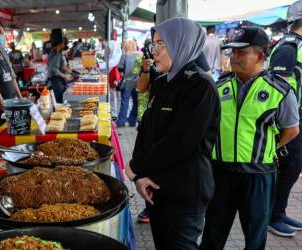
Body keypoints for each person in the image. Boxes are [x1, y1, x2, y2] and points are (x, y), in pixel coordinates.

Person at [200, 27, 300, 250]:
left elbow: (291, 130)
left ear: (261, 56)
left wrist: (268, 148)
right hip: (221, 173)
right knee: (213, 234)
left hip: (259, 175)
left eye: (241, 53)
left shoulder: (279, 90)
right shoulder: (220, 86)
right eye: (232, 52)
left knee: (255, 238)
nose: (233, 57)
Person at [126, 17, 220, 249]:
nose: (154, 51)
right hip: (156, 189)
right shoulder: (162, 82)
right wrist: (139, 176)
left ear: (181, 44)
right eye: (153, 44)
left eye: (161, 44)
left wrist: (136, 166)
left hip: (184, 192)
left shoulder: (200, 86)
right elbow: (146, 132)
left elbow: (179, 143)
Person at [267, 0, 302, 237]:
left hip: (296, 117)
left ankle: (278, 211)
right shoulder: (289, 46)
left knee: (293, 167)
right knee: (289, 167)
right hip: (288, 120)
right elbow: (280, 87)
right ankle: (271, 215)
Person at [116, 39, 140, 127]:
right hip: (137, 82)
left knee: (124, 102)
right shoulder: (140, 55)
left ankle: (121, 121)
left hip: (126, 83)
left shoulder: (124, 55)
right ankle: (132, 121)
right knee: (136, 102)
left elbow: (120, 69)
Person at [47, 30, 72, 103]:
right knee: (60, 101)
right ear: (60, 44)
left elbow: (62, 66)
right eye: (63, 44)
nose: (64, 46)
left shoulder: (59, 53)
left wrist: (72, 72)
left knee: (62, 98)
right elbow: (54, 70)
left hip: (59, 80)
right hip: (55, 81)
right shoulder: (54, 54)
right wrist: (65, 76)